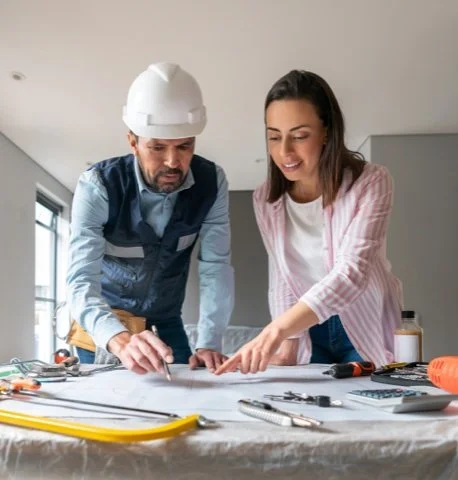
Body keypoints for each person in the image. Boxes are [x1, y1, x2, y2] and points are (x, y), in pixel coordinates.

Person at [215, 69, 402, 375]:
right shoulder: (267, 199)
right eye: (274, 137)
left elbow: (352, 272)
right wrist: (287, 343)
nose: (284, 151)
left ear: (327, 131)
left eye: (300, 136)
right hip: (308, 331)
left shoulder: (371, 182)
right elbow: (283, 278)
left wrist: (276, 330)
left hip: (363, 325)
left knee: (370, 410)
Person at [67, 62, 234, 374]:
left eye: (184, 146)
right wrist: (118, 338)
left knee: (190, 390)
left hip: (167, 318)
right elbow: (81, 281)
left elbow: (216, 268)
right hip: (107, 320)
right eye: (157, 148)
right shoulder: (97, 185)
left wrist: (210, 340)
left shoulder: (213, 182)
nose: (173, 162)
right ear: (133, 142)